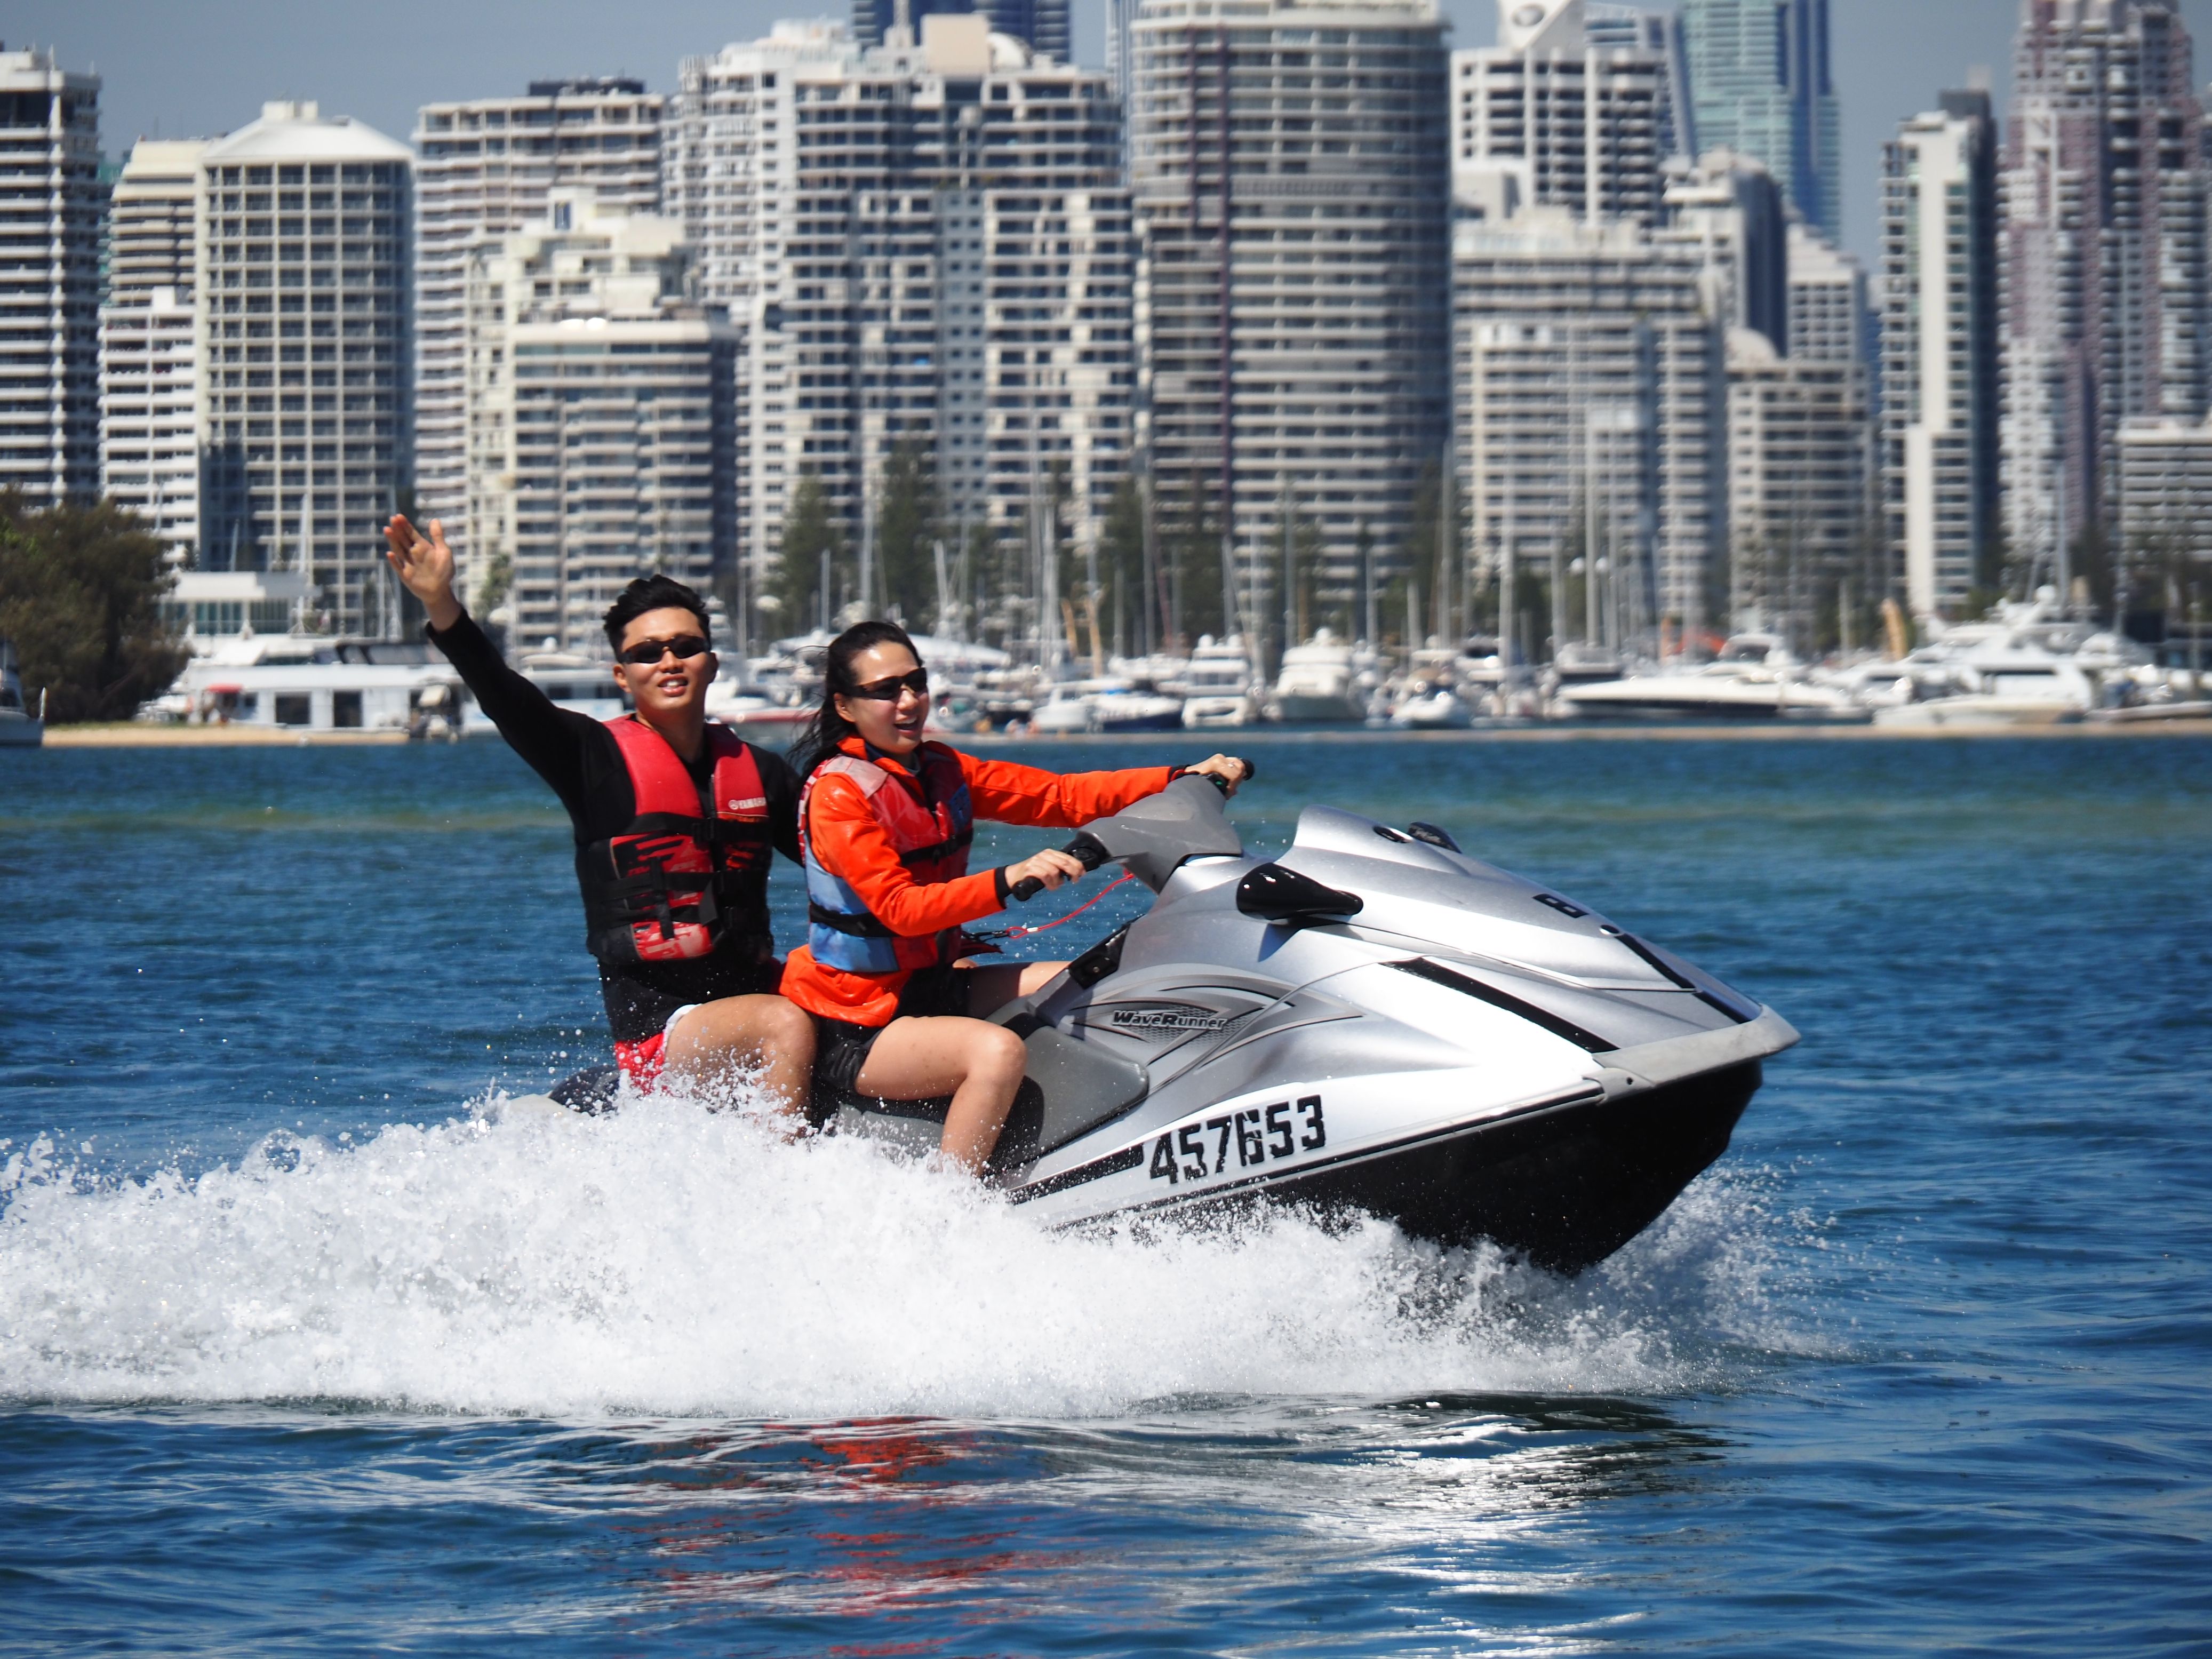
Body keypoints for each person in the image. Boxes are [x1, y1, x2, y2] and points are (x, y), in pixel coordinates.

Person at [382, 514, 816, 1116]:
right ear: (622, 674)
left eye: (686, 647)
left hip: (753, 995)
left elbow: (846, 865)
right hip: (660, 1032)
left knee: (845, 995)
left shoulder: (760, 773)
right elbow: (503, 693)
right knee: (783, 1022)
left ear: (711, 664)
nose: (669, 660)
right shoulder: (592, 759)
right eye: (646, 652)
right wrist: (442, 604)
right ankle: (787, 1191)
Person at [781, 620, 1249, 1173]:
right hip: (860, 1024)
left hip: (934, 986)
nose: (908, 701)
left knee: (1095, 985)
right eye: (886, 691)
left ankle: (1106, 1145)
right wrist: (1007, 878)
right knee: (996, 1053)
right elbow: (900, 910)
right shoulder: (840, 794)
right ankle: (949, 1209)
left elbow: (1059, 795)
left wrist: (1178, 775)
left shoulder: (940, 769)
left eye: (916, 683)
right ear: (845, 704)